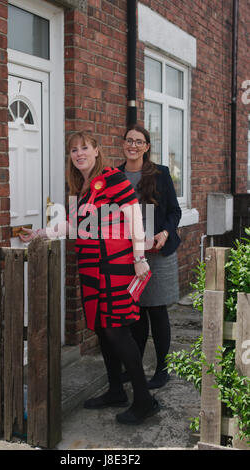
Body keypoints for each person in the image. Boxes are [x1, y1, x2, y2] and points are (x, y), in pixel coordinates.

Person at [19, 130, 160, 425]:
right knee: (101, 328)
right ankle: (115, 390)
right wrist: (40, 233)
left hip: (117, 265)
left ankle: (144, 400)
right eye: (74, 150)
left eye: (85, 148)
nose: (79, 153)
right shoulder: (80, 187)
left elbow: (136, 217)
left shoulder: (112, 178)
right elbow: (72, 226)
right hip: (92, 267)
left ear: (97, 150)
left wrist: (140, 257)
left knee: (117, 331)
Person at [118, 124, 182, 389]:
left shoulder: (161, 174)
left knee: (156, 310)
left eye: (139, 141)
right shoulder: (115, 176)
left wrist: (165, 233)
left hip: (158, 253)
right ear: (123, 144)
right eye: (129, 140)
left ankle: (162, 369)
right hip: (130, 254)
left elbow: (174, 212)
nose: (133, 145)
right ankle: (135, 366)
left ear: (146, 147)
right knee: (136, 313)